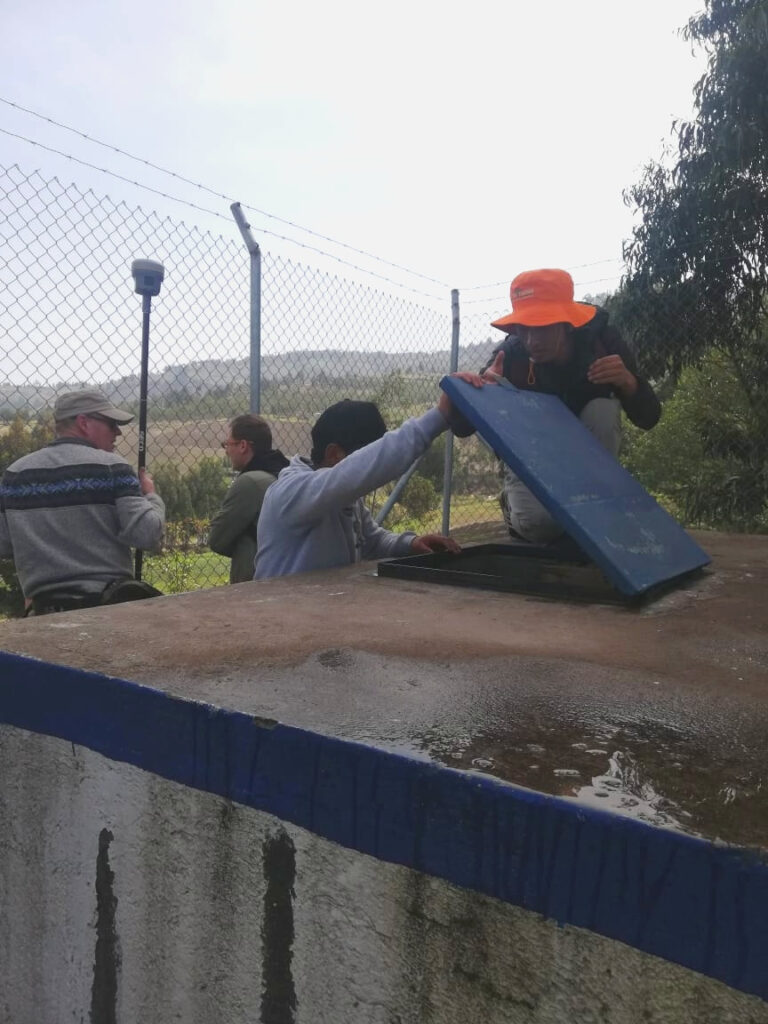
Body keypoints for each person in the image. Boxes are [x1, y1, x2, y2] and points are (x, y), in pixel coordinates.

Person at [483, 268, 661, 543]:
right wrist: (485, 394)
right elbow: (461, 425)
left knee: (603, 409)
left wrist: (628, 382)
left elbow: (649, 417)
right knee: (539, 527)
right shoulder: (510, 356)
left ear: (567, 323)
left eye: (542, 327)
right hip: (534, 453)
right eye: (524, 329)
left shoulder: (602, 343)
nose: (532, 341)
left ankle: (596, 503)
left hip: (585, 453)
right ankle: (514, 505)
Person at [254, 373, 485, 580]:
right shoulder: (291, 494)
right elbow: (359, 471)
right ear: (334, 454)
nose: (371, 470)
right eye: (366, 455)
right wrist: (440, 417)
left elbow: (372, 540)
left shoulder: (343, 498)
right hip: (279, 616)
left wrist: (410, 544)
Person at [0, 388, 165, 614]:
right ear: (83, 422)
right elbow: (147, 534)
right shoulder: (114, 467)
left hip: (42, 612)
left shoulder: (14, 475)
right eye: (110, 423)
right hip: (107, 611)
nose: (117, 432)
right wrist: (151, 496)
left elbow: (5, 544)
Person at [209, 414, 289, 583]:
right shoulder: (287, 473)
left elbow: (216, 539)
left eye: (228, 444)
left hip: (256, 582)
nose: (226, 450)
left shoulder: (250, 483)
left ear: (243, 446)